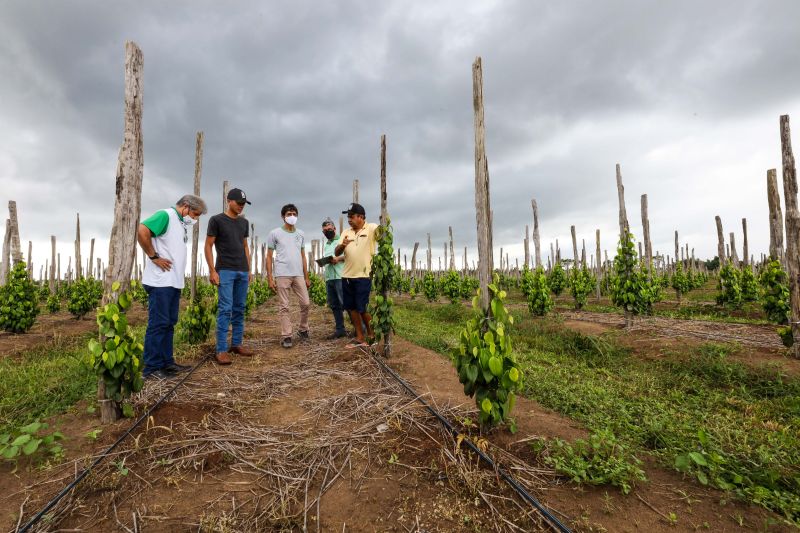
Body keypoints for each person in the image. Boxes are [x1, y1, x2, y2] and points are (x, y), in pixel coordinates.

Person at [137, 194, 207, 379]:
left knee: (169, 324)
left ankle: (167, 363)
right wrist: (154, 257)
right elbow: (142, 230)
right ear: (186, 206)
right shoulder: (165, 215)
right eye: (195, 214)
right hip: (160, 282)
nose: (195, 219)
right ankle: (151, 368)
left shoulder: (180, 223)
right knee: (158, 324)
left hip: (173, 282)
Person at [204, 188, 255, 365]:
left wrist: (248, 269)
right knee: (225, 308)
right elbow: (208, 246)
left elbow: (245, 246)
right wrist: (212, 270)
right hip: (225, 270)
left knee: (240, 308)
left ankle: (236, 344)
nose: (241, 206)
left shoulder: (244, 223)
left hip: (242, 270)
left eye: (243, 204)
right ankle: (221, 349)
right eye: (239, 203)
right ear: (229, 201)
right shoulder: (216, 220)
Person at [267, 204, 310, 349]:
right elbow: (268, 256)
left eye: (294, 214)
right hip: (282, 273)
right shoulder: (275, 233)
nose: (292, 216)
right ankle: (287, 336)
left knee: (306, 303)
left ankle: (303, 329)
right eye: (289, 214)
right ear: (283, 216)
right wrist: (270, 278)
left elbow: (303, 256)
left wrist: (306, 276)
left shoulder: (301, 234)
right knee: (284, 306)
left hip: (298, 274)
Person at [335, 202, 378, 348]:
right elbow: (337, 252)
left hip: (363, 276)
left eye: (351, 216)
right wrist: (343, 245)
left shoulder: (371, 228)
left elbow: (384, 234)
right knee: (351, 308)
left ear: (361, 217)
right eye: (348, 217)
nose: (349, 219)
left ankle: (372, 335)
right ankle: (360, 336)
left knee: (363, 307)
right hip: (347, 276)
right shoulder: (346, 232)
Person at [320, 218, 347, 339]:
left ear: (335, 229)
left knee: (346, 303)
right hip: (329, 278)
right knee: (334, 305)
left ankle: (360, 329)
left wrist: (338, 259)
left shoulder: (342, 240)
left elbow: (350, 255)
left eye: (329, 229)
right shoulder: (327, 244)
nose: (327, 232)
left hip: (341, 276)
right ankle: (340, 329)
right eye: (325, 231)